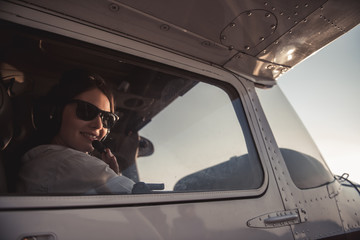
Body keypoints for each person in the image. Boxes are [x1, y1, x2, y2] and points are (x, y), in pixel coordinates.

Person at [17, 69, 135, 194]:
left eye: (107, 118)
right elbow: (138, 198)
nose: (99, 125)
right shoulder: (68, 162)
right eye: (86, 110)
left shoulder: (43, 159)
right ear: (56, 113)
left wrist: (112, 175)